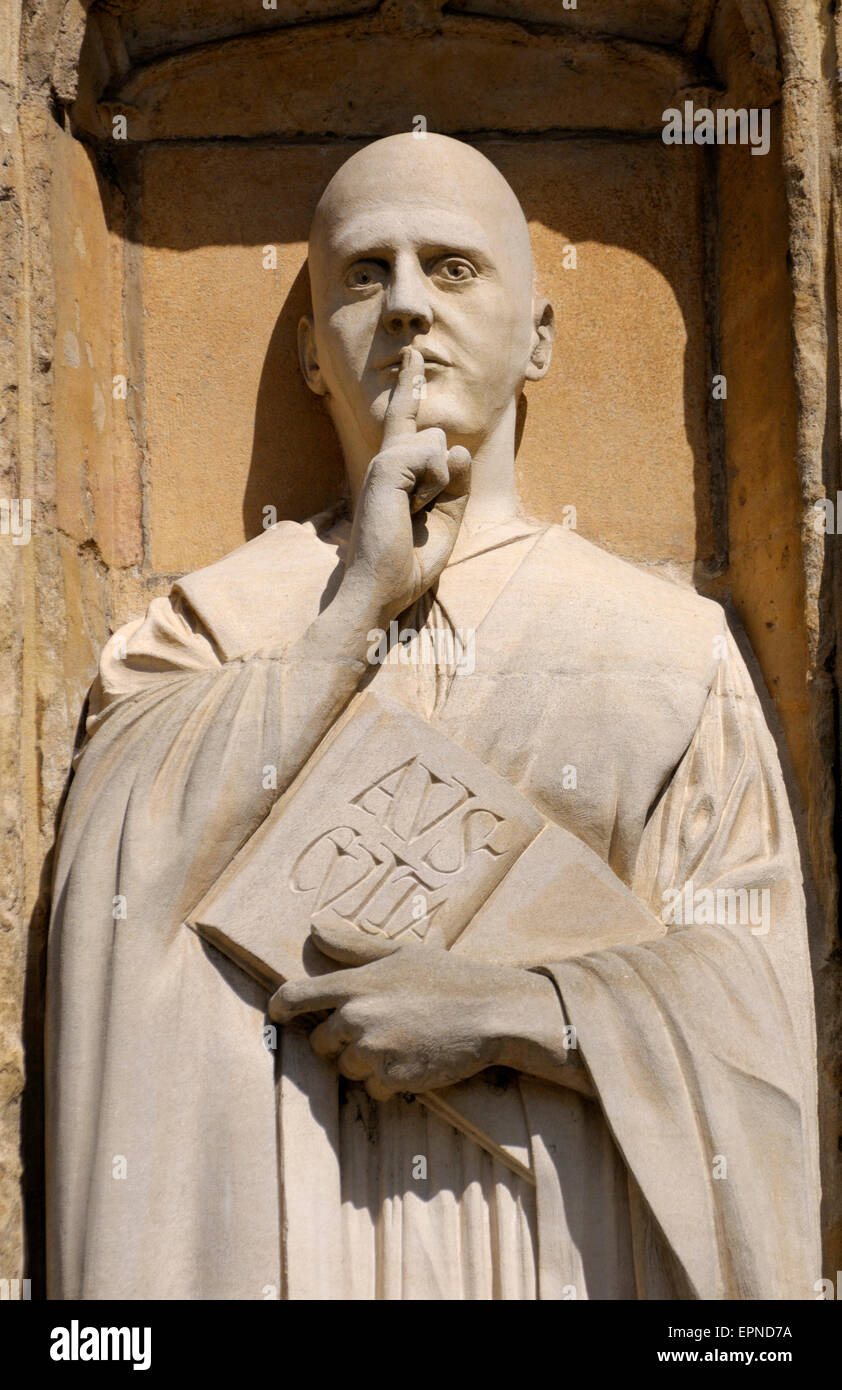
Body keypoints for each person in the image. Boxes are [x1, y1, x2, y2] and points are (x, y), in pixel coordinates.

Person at [46, 133, 821, 1300]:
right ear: (313, 351)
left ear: (539, 336)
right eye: (364, 273)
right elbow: (114, 902)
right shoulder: (211, 629)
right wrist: (352, 605)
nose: (406, 303)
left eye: (452, 267)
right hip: (285, 1238)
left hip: (572, 1243)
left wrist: (523, 1012)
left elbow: (751, 1003)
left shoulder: (662, 650)